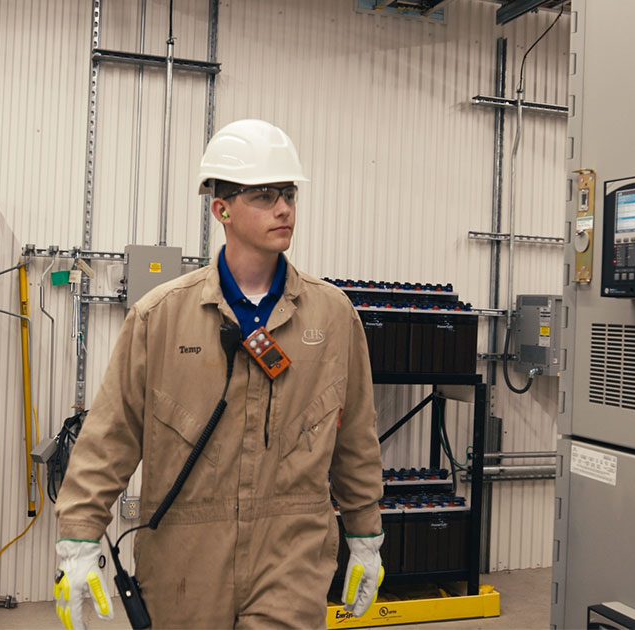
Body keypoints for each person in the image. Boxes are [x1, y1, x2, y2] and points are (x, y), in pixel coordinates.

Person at [52, 119, 386, 629]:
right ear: (221, 209)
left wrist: (366, 536)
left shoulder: (332, 316)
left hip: (292, 553)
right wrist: (79, 537)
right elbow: (111, 434)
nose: (283, 209)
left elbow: (355, 435)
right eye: (264, 195)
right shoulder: (161, 316)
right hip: (184, 559)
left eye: (289, 195)